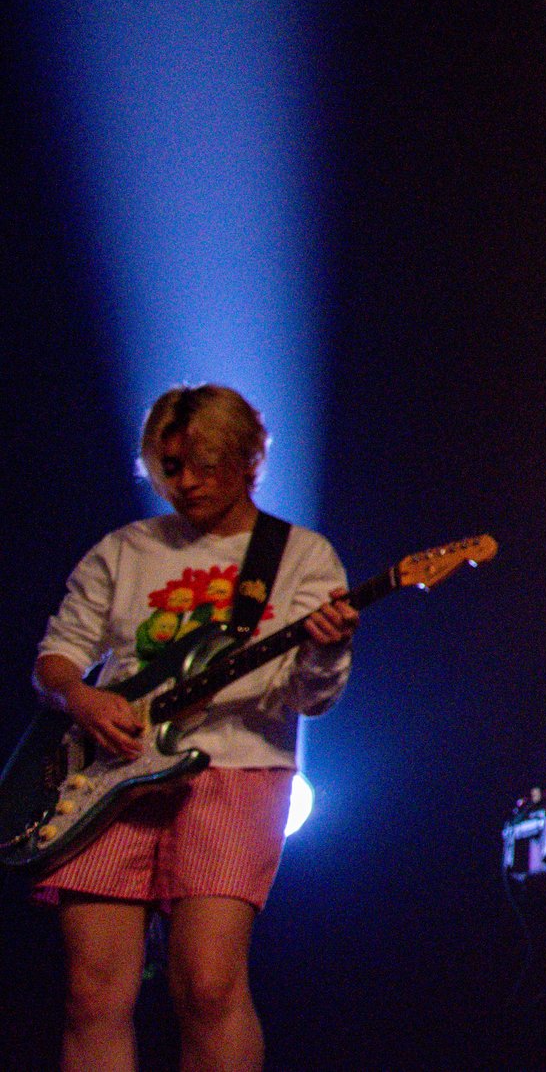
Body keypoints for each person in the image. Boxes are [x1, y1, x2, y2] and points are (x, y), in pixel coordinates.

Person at [30, 384, 358, 1072]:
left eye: (202, 465)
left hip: (236, 773)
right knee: (92, 991)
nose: (183, 483)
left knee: (208, 986)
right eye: (169, 466)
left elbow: (312, 698)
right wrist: (81, 699)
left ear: (246, 460)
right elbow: (58, 655)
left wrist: (326, 648)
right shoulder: (124, 550)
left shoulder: (299, 556)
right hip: (107, 774)